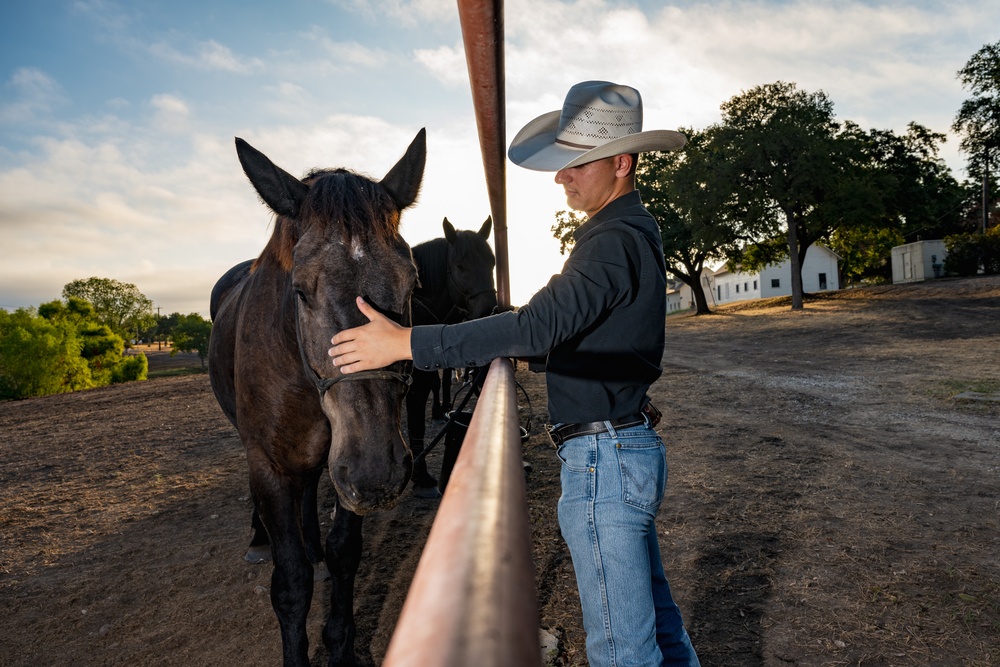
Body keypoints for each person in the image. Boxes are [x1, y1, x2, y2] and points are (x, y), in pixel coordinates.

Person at [329, 80, 700, 667]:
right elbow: (578, 337)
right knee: (658, 627)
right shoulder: (628, 234)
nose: (562, 178)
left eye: (578, 165)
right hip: (618, 448)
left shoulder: (611, 242)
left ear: (622, 163)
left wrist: (405, 342)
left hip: (605, 458)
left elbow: (537, 328)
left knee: (623, 650)